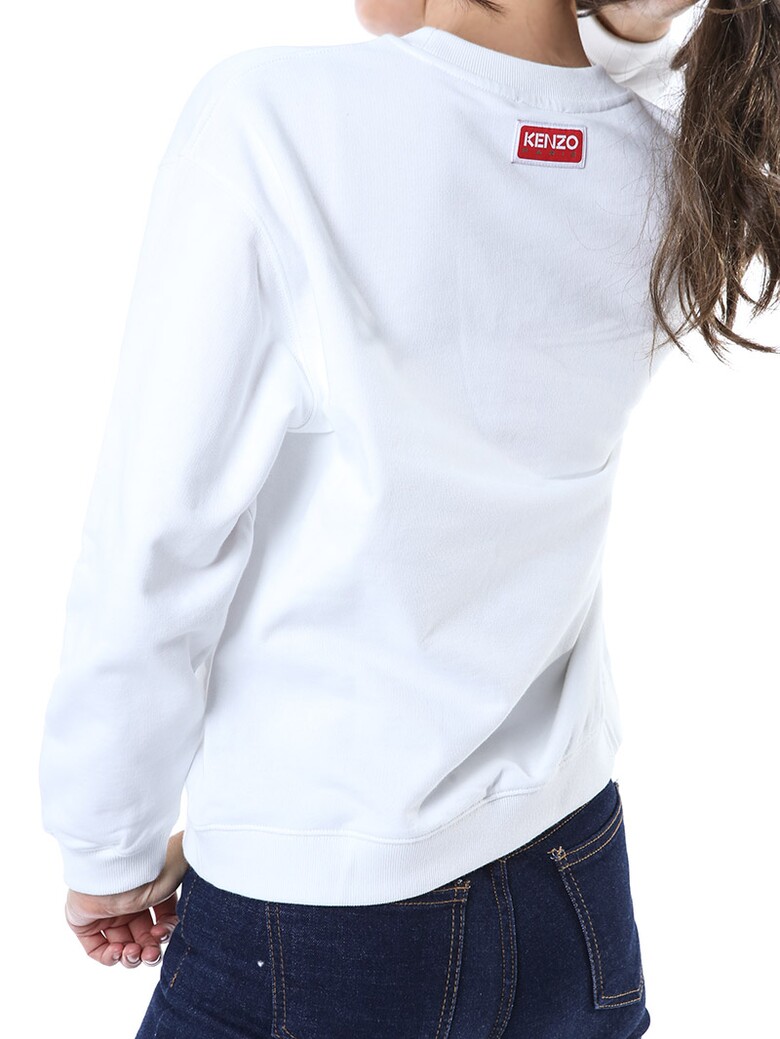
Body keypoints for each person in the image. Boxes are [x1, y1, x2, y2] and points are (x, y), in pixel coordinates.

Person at [37, 0, 779, 1036]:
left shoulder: (278, 119)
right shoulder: (660, 158)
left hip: (324, 913)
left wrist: (107, 848)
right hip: (573, 881)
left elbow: (157, 539)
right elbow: (574, 88)